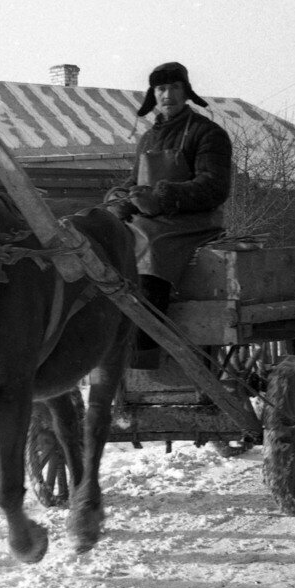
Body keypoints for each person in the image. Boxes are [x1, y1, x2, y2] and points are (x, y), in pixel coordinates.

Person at [107, 62, 232, 368]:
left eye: (174, 87)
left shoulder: (208, 134)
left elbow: (213, 186)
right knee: (107, 235)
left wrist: (162, 196)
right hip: (153, 218)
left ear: (186, 91)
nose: (168, 95)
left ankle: (143, 347)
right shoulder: (148, 138)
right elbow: (135, 182)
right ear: (153, 94)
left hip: (195, 222)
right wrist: (120, 199)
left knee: (150, 245)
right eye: (161, 89)